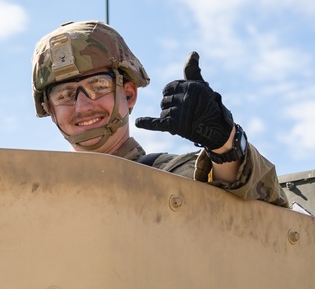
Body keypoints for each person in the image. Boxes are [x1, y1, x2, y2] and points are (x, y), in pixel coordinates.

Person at [32, 20, 287, 206]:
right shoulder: (31, 193)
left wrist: (224, 145)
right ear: (50, 110)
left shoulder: (172, 177)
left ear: (129, 94)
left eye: (98, 87)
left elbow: (266, 202)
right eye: (64, 95)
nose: (83, 107)